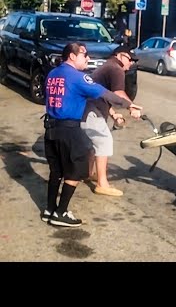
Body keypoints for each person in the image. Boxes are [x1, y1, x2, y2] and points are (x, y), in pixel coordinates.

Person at [43, 42, 142, 227]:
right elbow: (106, 93)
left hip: (50, 128)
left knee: (56, 170)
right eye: (84, 54)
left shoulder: (52, 74)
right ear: (72, 56)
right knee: (76, 171)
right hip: (69, 129)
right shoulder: (78, 77)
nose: (87, 58)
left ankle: (49, 209)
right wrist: (129, 105)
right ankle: (61, 212)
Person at [81, 44, 142, 197]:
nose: (130, 64)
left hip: (87, 108)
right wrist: (132, 108)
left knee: (94, 143)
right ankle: (102, 184)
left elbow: (103, 96)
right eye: (130, 60)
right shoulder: (116, 69)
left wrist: (114, 114)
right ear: (120, 56)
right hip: (91, 111)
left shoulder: (107, 66)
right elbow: (118, 93)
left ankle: (90, 173)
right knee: (104, 141)